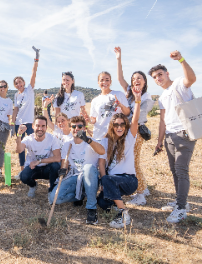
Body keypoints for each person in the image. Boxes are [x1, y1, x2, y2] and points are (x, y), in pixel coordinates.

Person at [150, 50, 197, 223]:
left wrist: (181, 60)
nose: (158, 78)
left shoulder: (178, 84)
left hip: (184, 134)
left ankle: (181, 209)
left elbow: (191, 79)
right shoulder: (162, 96)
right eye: (155, 77)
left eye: (160, 74)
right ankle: (180, 202)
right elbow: (162, 120)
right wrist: (159, 141)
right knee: (174, 171)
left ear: (167, 73)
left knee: (181, 170)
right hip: (169, 136)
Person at [97, 86, 142, 228]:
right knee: (101, 201)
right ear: (112, 127)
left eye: (122, 124)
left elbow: (134, 121)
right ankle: (117, 205)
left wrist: (138, 101)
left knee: (107, 179)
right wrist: (104, 184)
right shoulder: (106, 141)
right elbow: (102, 164)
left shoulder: (129, 139)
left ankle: (123, 214)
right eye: (116, 125)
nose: (119, 127)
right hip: (112, 181)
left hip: (129, 181)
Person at [114, 47, 154, 205]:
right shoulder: (130, 92)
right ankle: (143, 187)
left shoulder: (147, 98)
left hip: (135, 133)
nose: (136, 80)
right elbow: (119, 78)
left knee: (134, 162)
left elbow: (137, 119)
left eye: (140, 78)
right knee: (130, 161)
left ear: (144, 82)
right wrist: (119, 58)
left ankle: (142, 193)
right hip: (126, 132)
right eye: (134, 79)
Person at [48, 116, 105, 225]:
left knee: (87, 168)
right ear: (70, 128)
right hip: (74, 175)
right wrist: (63, 170)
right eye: (73, 126)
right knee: (54, 198)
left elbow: (102, 151)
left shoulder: (91, 141)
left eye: (80, 126)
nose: (76, 128)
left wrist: (87, 140)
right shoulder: (67, 144)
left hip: (89, 176)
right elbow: (65, 163)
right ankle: (81, 195)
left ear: (84, 128)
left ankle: (91, 208)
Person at [16, 116, 61, 198]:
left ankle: (51, 190)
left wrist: (39, 161)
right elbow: (19, 150)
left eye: (43, 126)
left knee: (56, 166)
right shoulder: (28, 139)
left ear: (46, 127)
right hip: (34, 168)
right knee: (23, 176)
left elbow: (57, 158)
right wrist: (19, 135)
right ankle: (33, 185)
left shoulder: (52, 139)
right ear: (33, 126)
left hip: (47, 168)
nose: (40, 128)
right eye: (37, 126)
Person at [11, 47, 40, 174]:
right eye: (16, 83)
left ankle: (34, 167)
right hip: (19, 124)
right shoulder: (16, 95)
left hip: (29, 123)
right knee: (20, 147)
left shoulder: (29, 90)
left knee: (33, 145)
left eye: (20, 82)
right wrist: (13, 124)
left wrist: (36, 59)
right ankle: (22, 169)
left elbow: (33, 73)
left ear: (23, 82)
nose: (19, 84)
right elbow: (15, 109)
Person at [90, 72, 130, 140]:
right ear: (98, 82)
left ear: (110, 82)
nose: (104, 82)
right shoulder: (95, 100)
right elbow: (93, 120)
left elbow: (127, 113)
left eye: (107, 80)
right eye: (101, 80)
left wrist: (120, 105)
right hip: (99, 135)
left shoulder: (119, 94)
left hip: (116, 135)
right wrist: (88, 120)